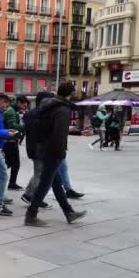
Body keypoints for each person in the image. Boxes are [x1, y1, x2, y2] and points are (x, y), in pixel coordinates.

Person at [25, 82, 87, 227]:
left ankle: (69, 212)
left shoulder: (46, 106)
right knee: (45, 183)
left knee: (56, 183)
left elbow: (46, 128)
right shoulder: (62, 109)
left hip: (43, 148)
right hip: (53, 151)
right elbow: (59, 134)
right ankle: (31, 215)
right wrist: (60, 154)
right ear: (69, 93)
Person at [3, 96, 25, 191]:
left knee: (9, 162)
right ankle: (12, 183)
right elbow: (12, 124)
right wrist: (24, 128)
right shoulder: (11, 111)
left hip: (8, 139)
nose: (25, 106)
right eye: (24, 104)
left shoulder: (11, 110)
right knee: (15, 163)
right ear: (19, 102)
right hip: (10, 140)